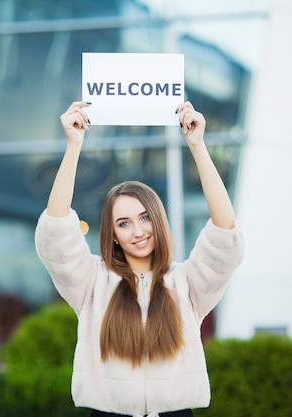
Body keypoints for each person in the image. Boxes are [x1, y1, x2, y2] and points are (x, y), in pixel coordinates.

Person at [34, 101, 244, 417]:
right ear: (113, 234)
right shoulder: (92, 282)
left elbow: (225, 236)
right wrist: (74, 146)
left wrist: (197, 146)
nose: (138, 231)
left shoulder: (186, 283)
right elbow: (56, 234)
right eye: (124, 223)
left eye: (145, 217)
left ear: (158, 219)